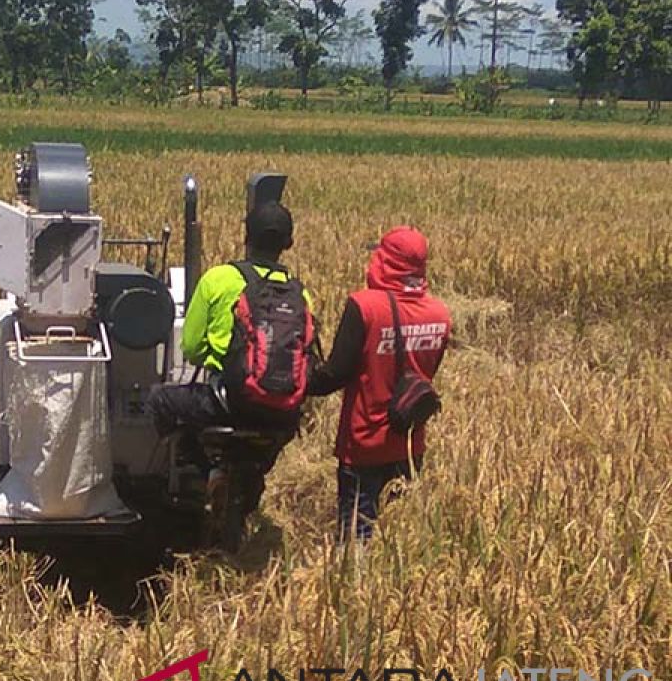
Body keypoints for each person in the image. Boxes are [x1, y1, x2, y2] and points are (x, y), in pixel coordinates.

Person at [148, 201, 315, 503]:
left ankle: (200, 471)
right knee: (275, 436)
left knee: (159, 400)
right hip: (281, 411)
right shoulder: (299, 293)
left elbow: (193, 348)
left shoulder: (218, 278)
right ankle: (253, 478)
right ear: (287, 244)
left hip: (229, 402)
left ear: (246, 237)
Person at [308, 226, 451, 541]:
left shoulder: (365, 306)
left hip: (364, 444)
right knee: (397, 542)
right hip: (410, 445)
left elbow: (336, 373)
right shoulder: (440, 314)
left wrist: (299, 379)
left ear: (387, 262)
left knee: (356, 543)